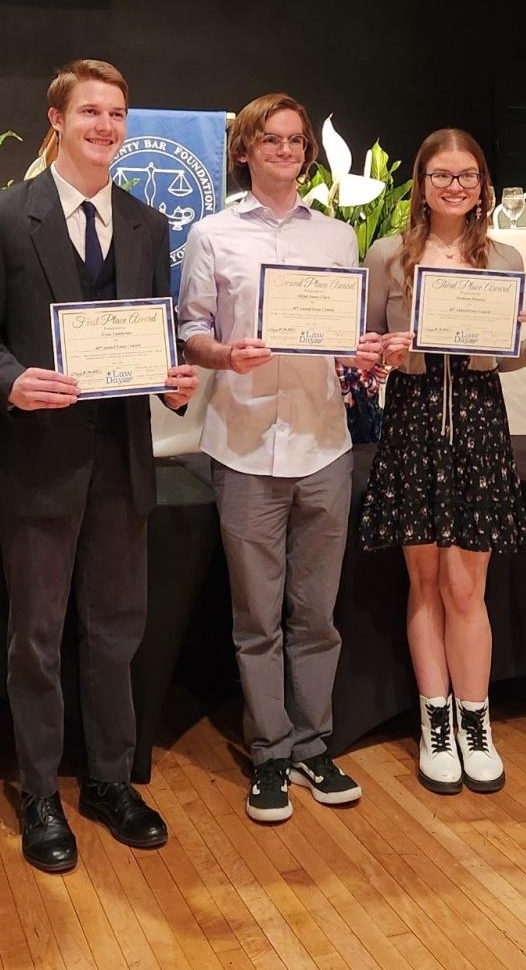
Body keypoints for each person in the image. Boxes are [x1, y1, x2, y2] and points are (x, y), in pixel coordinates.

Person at [0, 59, 198, 873]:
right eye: (90, 111)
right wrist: (14, 380)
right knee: (38, 640)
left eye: (117, 113)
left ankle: (109, 781)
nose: (105, 126)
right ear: (55, 119)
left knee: (117, 632)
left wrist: (171, 379)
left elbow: (148, 340)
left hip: (123, 465)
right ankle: (39, 794)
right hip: (38, 466)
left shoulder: (146, 223)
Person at [177, 93, 381, 823]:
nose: (287, 151)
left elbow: (346, 335)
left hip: (325, 443)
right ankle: (268, 755)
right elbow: (191, 330)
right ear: (246, 149)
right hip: (243, 443)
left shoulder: (336, 238)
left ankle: (312, 746)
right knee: (256, 618)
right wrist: (224, 354)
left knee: (316, 616)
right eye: (272, 140)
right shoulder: (212, 234)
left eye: (296, 141)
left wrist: (363, 354)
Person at [359, 129, 526, 795]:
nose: (454, 186)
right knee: (424, 584)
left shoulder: (502, 256)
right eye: (441, 175)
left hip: (478, 421)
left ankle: (477, 723)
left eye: (466, 175)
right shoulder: (388, 255)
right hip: (413, 420)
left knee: (466, 587)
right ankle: (434, 723)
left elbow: (503, 354)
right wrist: (385, 352)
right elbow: (365, 353)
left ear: (482, 187)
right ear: (421, 184)